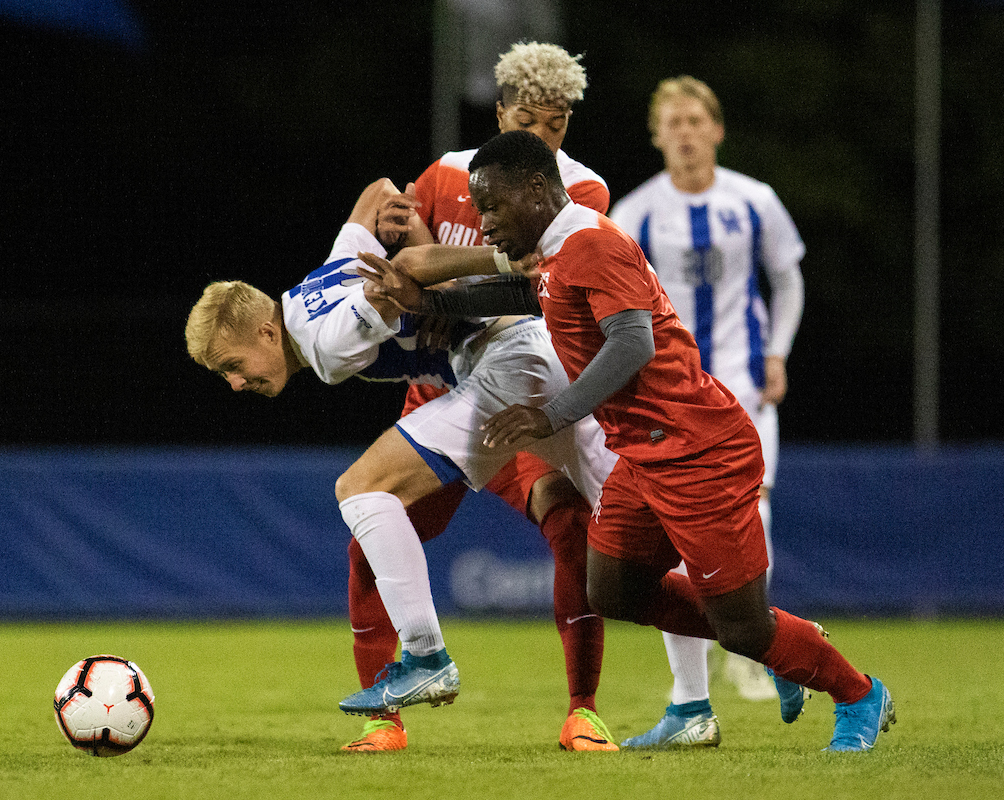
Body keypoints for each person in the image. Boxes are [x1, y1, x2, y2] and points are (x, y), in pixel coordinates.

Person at [357, 129, 895, 752]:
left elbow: (633, 343)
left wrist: (550, 414)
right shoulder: (560, 248)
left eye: (494, 205)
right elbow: (525, 292)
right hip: (644, 453)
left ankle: (857, 692)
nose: (484, 221)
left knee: (743, 626)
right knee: (610, 587)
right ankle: (786, 643)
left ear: (537, 188)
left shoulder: (589, 242)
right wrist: (426, 300)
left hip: (699, 451)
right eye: (479, 208)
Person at [184, 176, 620, 751]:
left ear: (265, 331)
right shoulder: (313, 286)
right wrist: (399, 211)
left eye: (230, 366)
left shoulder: (327, 340)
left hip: (512, 368)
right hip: (533, 364)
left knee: (360, 491)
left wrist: (496, 260)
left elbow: (406, 271)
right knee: (641, 536)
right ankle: (767, 646)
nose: (236, 384)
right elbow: (376, 191)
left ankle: (425, 655)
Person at [343, 40, 617, 754]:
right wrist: (414, 258)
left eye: (555, 126)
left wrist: (440, 289)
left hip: (517, 400)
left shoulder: (577, 193)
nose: (540, 139)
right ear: (499, 112)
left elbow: (527, 289)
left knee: (573, 528)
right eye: (528, 120)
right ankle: (384, 722)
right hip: (439, 390)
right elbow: (398, 251)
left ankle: (582, 710)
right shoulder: (443, 175)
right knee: (369, 539)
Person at [606, 76, 807, 742]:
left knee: (756, 511)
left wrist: (776, 352)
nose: (686, 132)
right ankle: (693, 698)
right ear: (657, 134)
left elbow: (787, 276)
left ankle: (757, 645)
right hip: (669, 402)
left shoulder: (755, 201)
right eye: (674, 122)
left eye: (696, 120)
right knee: (667, 540)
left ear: (716, 129)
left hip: (743, 391)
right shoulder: (634, 215)